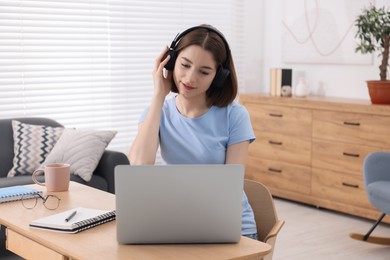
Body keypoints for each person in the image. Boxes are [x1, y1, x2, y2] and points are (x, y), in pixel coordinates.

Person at [129, 25, 257, 240]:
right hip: (175, 221)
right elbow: (139, 168)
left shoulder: (235, 115)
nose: (189, 78)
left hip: (228, 225)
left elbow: (230, 188)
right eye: (184, 65)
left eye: (204, 72)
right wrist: (159, 94)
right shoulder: (156, 112)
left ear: (219, 76)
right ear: (170, 62)